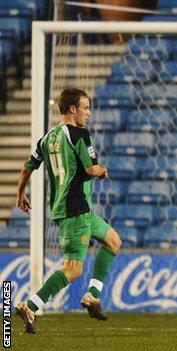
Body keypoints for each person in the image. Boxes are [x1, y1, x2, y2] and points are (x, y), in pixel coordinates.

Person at [15, 88, 122, 334]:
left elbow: (25, 169)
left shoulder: (47, 138)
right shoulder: (80, 135)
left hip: (78, 210)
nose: (89, 113)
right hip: (75, 210)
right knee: (73, 268)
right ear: (72, 109)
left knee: (114, 241)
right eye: (85, 107)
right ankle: (30, 305)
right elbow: (92, 168)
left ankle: (92, 295)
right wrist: (103, 169)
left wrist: (20, 194)